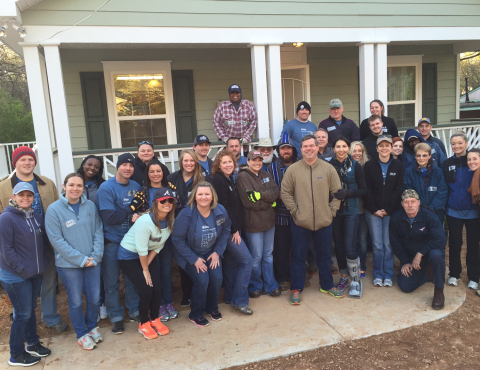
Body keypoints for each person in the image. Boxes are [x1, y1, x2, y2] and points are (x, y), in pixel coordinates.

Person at [0, 146, 68, 333]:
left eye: (30, 159)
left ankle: (51, 318)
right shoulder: (3, 187)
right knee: (19, 285)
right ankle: (21, 319)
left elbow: (57, 210)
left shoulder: (47, 183)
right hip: (19, 247)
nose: (27, 163)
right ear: (15, 163)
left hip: (45, 243)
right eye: (22, 160)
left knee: (48, 284)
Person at [281, 135, 344, 305]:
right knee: (298, 257)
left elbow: (338, 193)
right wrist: (295, 211)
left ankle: (327, 285)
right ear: (301, 149)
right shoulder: (293, 170)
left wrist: (331, 212)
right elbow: (285, 193)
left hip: (324, 222)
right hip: (300, 222)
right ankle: (296, 288)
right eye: (305, 146)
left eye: (311, 146)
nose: (308, 149)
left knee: (324, 257)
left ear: (317, 148)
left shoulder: (328, 169)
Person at [45, 174, 104, 350]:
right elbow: (57, 241)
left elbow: (98, 231)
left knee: (94, 298)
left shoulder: (90, 206)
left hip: (93, 261)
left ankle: (92, 326)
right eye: (71, 185)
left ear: (83, 187)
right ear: (64, 186)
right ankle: (81, 333)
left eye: (79, 185)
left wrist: (96, 255)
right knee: (76, 300)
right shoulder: (54, 210)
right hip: (68, 264)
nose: (75, 188)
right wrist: (81, 260)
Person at [0, 182, 51, 366]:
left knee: (29, 311)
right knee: (22, 313)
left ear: (33, 198)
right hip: (15, 275)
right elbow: (6, 250)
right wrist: (22, 269)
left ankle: (32, 343)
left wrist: (43, 263)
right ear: (13, 197)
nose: (25, 198)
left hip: (34, 273)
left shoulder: (37, 217)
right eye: (21, 195)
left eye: (29, 195)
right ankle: (16, 354)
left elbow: (44, 244)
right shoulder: (6, 218)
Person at [118, 187, 175, 339]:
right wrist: (145, 270)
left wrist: (148, 265)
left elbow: (159, 245)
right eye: (163, 201)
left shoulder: (170, 220)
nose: (167, 203)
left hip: (147, 255)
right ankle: (144, 323)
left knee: (157, 288)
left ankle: (155, 319)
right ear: (156, 203)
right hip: (129, 256)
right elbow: (141, 248)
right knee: (146, 289)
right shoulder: (145, 221)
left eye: (170, 201)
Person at [172, 182, 231, 327]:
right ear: (194, 196)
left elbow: (226, 229)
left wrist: (218, 252)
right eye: (200, 194)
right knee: (202, 279)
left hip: (211, 252)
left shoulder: (220, 210)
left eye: (207, 194)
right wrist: (194, 259)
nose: (203, 197)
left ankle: (212, 308)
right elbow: (177, 239)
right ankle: (196, 313)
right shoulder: (186, 214)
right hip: (191, 254)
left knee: (217, 278)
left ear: (212, 196)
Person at [96, 153, 142, 334]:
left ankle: (134, 310)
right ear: (118, 167)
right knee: (111, 281)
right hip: (112, 241)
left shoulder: (136, 186)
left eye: (131, 166)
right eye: (124, 165)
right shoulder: (106, 188)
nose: (128, 168)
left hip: (132, 241)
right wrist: (131, 210)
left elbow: (142, 211)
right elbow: (110, 217)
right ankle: (116, 317)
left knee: (132, 279)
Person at [131, 159, 179, 322]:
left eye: (158, 171)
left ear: (163, 172)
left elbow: (177, 208)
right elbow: (132, 211)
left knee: (165, 272)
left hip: (165, 237)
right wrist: (134, 215)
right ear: (147, 174)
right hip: (149, 240)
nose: (155, 174)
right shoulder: (142, 192)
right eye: (152, 171)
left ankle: (169, 303)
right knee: (153, 273)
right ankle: (157, 305)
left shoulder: (171, 189)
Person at [211, 150, 254, 315]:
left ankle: (230, 297)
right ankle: (240, 300)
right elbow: (223, 209)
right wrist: (234, 230)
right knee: (246, 261)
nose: (228, 165)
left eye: (230, 162)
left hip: (233, 229)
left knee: (230, 263)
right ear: (218, 165)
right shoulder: (218, 181)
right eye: (224, 163)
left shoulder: (228, 179)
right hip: (228, 231)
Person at [390, 189, 446, 310]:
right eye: (406, 202)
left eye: (413, 201)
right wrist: (404, 261)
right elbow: (396, 243)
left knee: (436, 255)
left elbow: (440, 240)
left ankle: (439, 292)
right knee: (405, 286)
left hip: (429, 254)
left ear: (419, 202)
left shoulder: (429, 215)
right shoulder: (396, 218)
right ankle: (426, 274)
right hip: (411, 258)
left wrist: (420, 254)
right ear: (402, 204)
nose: (410, 205)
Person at [237, 150, 281, 298]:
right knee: (256, 257)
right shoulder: (243, 177)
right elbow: (249, 202)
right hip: (253, 224)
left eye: (259, 160)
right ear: (248, 161)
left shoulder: (266, 175)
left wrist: (261, 196)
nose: (257, 163)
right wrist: (269, 203)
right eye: (254, 160)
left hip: (269, 223)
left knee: (268, 255)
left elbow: (276, 192)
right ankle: (255, 285)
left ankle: (270, 285)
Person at [364, 136, 404, 287]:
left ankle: (388, 274)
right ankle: (378, 274)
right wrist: (374, 209)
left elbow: (398, 189)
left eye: (387, 145)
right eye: (381, 146)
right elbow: (367, 189)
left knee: (388, 244)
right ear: (377, 148)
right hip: (373, 211)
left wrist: (389, 209)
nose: (384, 148)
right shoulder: (369, 166)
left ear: (392, 147)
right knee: (377, 244)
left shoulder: (398, 166)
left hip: (391, 211)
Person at [167, 149, 205, 307]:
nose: (189, 164)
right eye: (185, 160)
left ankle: (198, 293)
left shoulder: (202, 179)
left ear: (196, 162)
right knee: (183, 260)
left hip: (197, 224)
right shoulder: (172, 178)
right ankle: (186, 294)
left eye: (192, 160)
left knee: (196, 257)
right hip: (176, 224)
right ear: (181, 162)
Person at [330, 137, 367, 298]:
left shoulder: (355, 166)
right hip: (335, 211)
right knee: (338, 246)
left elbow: (363, 190)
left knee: (350, 246)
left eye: (344, 146)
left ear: (348, 148)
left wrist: (349, 193)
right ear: (333, 149)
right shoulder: (329, 165)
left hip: (351, 210)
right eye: (338, 146)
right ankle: (344, 277)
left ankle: (356, 280)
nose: (341, 149)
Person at [443, 132, 480, 290]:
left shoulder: (472, 161)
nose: (456, 146)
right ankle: (454, 274)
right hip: (453, 211)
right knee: (455, 243)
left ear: (466, 143)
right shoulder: (446, 163)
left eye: (459, 143)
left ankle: (473, 276)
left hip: (473, 211)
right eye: (453, 144)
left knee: (473, 245)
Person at [76, 155, 107, 321]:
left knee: (98, 270)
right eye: (89, 164)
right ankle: (88, 305)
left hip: (97, 231)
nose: (92, 168)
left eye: (96, 166)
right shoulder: (74, 182)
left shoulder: (102, 185)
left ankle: (100, 303)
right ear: (83, 164)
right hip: (78, 233)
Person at [267, 133, 298, 291]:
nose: (286, 151)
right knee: (281, 249)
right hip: (279, 216)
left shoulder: (300, 165)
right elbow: (270, 191)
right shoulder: (271, 168)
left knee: (298, 248)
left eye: (288, 148)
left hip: (299, 216)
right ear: (278, 151)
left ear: (293, 150)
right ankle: (283, 278)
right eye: (283, 149)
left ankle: (297, 277)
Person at [404, 143, 448, 223]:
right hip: (416, 213)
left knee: (436, 235)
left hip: (435, 212)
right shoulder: (409, 172)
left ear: (429, 156)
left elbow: (442, 192)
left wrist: (430, 209)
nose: (421, 158)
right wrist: (418, 208)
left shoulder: (438, 172)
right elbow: (408, 191)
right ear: (415, 156)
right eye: (418, 155)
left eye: (424, 155)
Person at [349, 141, 370, 277]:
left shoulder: (368, 167)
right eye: (354, 151)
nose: (357, 153)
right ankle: (352, 266)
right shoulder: (347, 167)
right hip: (350, 209)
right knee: (350, 240)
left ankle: (362, 264)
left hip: (364, 209)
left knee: (362, 240)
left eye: (359, 150)